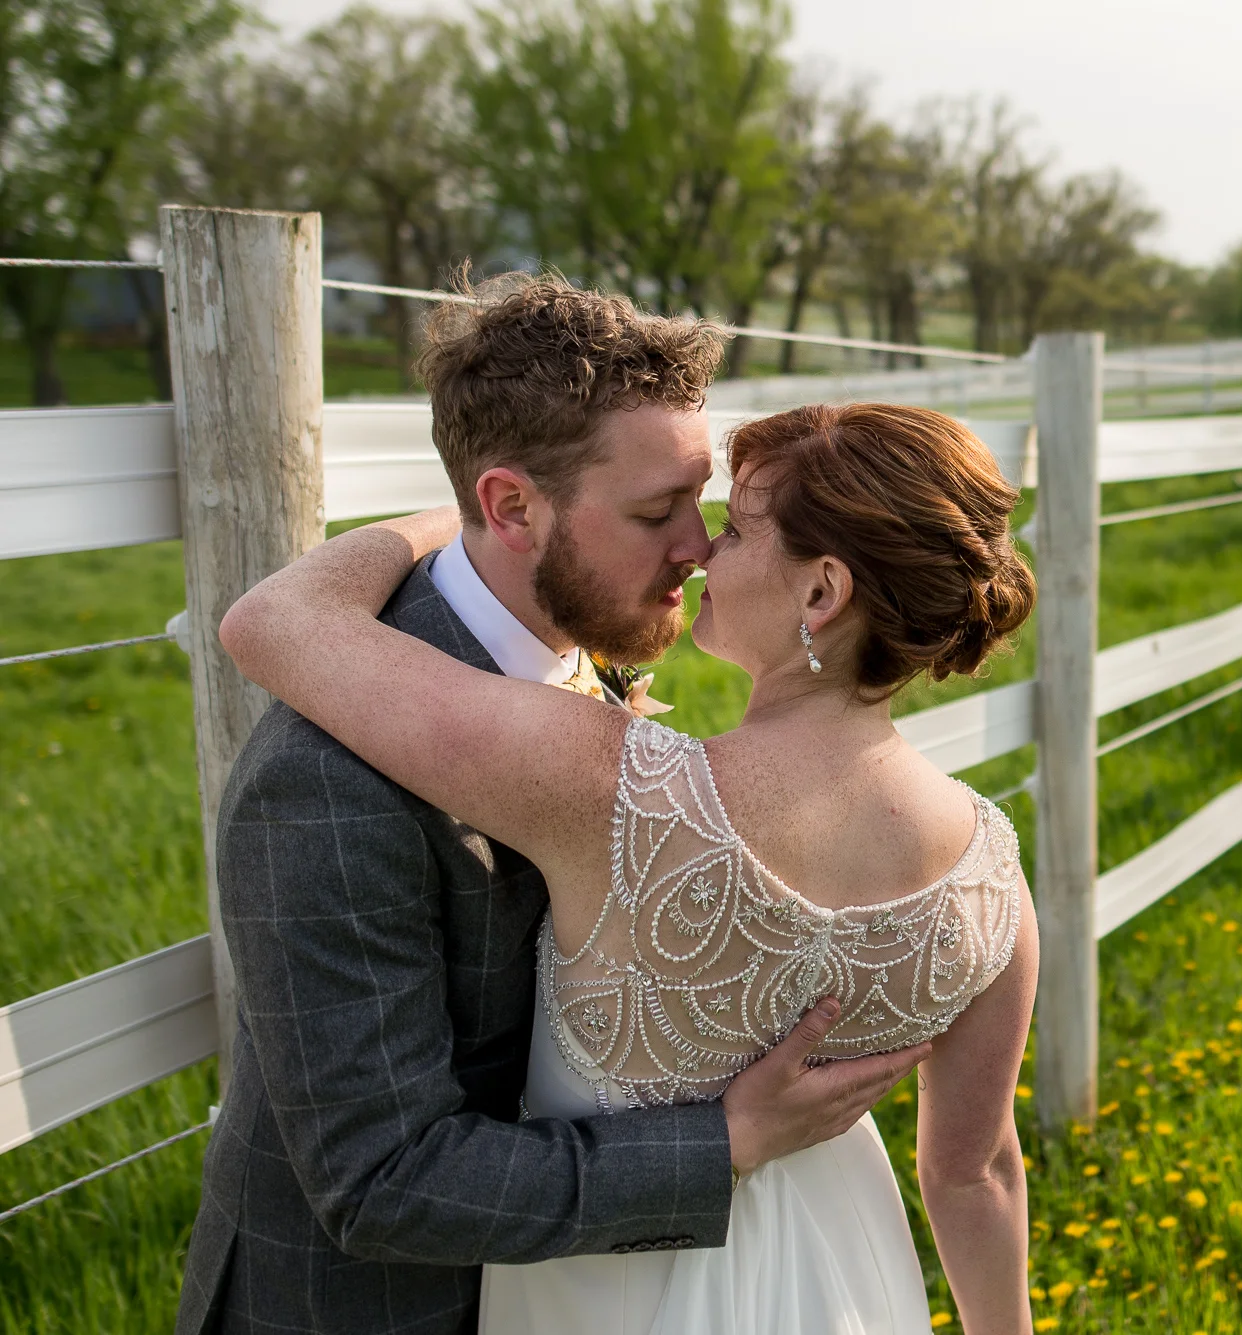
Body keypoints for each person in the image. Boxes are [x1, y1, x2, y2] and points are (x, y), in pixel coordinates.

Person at [212, 278, 1041, 1335]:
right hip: (789, 1283)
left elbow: (274, 620)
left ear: (820, 595)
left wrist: (445, 519)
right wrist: (722, 1148)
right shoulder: (987, 872)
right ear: (513, 505)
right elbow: (976, 1170)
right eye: (663, 511)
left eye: (719, 521)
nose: (697, 550)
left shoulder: (611, 757)